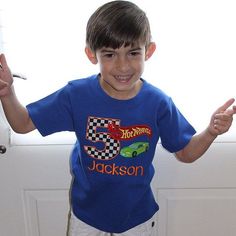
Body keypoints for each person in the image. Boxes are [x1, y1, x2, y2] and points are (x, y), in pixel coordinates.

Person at [0, 1, 236, 235]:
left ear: (149, 51)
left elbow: (186, 153)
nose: (123, 66)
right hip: (86, 218)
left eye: (133, 53)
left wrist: (211, 132)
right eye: (110, 54)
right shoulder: (76, 95)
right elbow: (22, 124)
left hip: (138, 219)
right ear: (92, 55)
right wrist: (7, 92)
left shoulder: (158, 103)